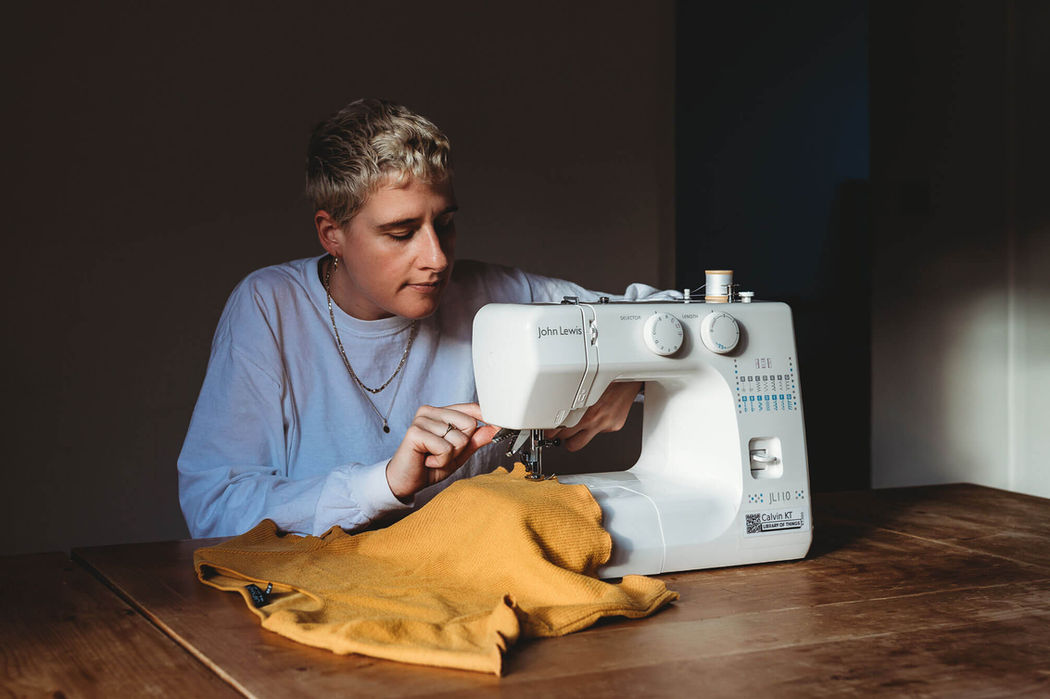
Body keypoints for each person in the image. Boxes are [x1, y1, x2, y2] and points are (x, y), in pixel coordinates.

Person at [178, 98, 677, 539]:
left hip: (465, 581)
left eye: (445, 224)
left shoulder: (496, 297)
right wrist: (387, 483)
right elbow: (215, 509)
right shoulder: (270, 307)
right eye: (401, 232)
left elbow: (679, 315)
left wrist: (632, 373)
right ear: (331, 234)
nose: (437, 258)